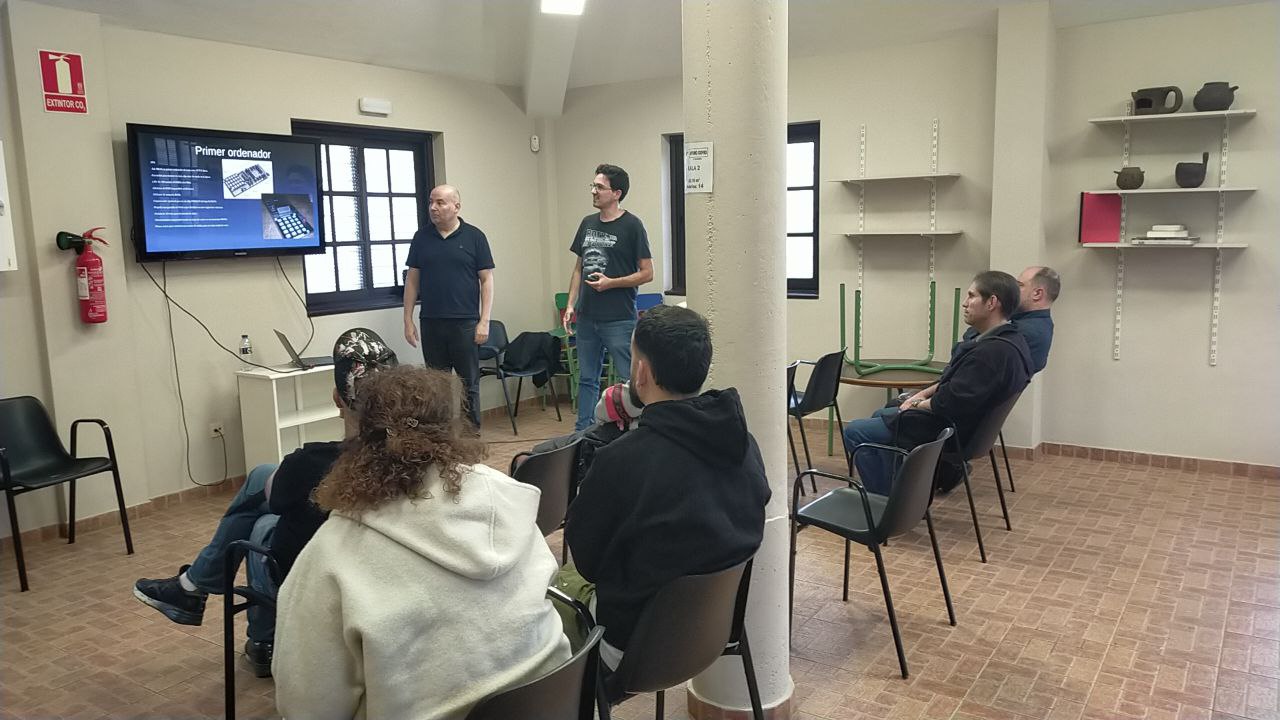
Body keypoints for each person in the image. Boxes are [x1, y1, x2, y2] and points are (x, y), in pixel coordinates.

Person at [273, 366, 570, 720]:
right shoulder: (506, 503)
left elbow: (306, 706)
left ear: (360, 439)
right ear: (454, 431)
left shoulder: (332, 553)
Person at [132, 328, 398, 677]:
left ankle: (259, 639)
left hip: (319, 583)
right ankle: (194, 588)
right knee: (263, 481)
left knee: (261, 523)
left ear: (337, 398)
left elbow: (275, 497)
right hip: (385, 578)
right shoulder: (415, 462)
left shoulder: (310, 463)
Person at [559, 306, 770, 671]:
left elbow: (587, 564)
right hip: (714, 633)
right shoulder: (744, 443)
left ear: (640, 373)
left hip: (632, 649)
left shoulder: (620, 461)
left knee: (554, 589)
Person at [843, 271, 1032, 495]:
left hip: (951, 431)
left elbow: (947, 402)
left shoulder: (990, 354)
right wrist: (921, 395)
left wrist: (914, 404)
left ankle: (890, 504)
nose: (965, 303)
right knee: (882, 414)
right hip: (969, 428)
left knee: (855, 432)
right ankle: (901, 492)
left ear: (991, 302)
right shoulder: (1011, 341)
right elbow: (952, 380)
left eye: (971, 296)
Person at [563, 164, 653, 431]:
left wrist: (611, 283)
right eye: (593, 186)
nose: (594, 191)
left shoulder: (632, 226)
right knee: (587, 379)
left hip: (619, 318)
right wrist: (571, 304)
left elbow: (647, 273)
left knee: (630, 379)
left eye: (600, 187)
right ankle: (583, 433)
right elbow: (578, 268)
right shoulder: (587, 223)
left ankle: (638, 431)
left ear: (616, 193)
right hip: (587, 317)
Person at [404, 184, 495, 428]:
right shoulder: (421, 238)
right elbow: (412, 280)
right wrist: (408, 319)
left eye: (440, 202)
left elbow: (486, 280)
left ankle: (471, 435)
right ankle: (441, 435)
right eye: (431, 202)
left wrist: (484, 320)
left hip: (465, 323)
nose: (433, 207)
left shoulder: (474, 237)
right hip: (431, 322)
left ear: (456, 206)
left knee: (469, 384)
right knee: (436, 385)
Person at [953, 265, 1059, 373]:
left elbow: (966, 354)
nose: (1013, 290)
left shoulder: (1030, 332)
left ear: (1037, 294)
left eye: (1019, 285)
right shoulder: (1019, 318)